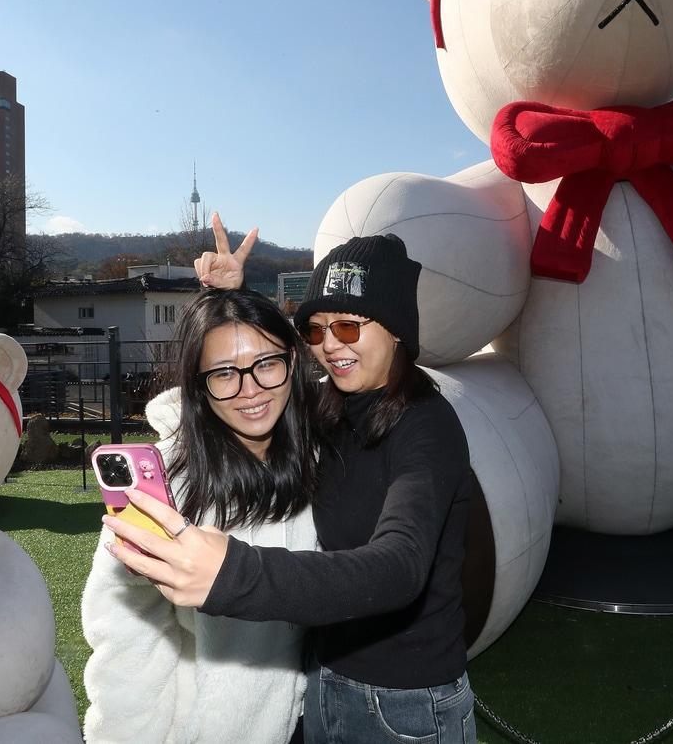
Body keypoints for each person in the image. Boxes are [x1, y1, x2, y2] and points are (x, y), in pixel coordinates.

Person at [106, 223, 478, 744]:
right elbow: (252, 375)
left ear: (396, 330)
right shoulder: (328, 406)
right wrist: (232, 300)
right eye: (315, 330)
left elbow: (401, 566)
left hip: (406, 705)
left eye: (348, 327)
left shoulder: (426, 427)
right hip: (321, 682)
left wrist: (234, 574)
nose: (330, 346)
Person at [81, 280, 323, 744]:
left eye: (266, 364)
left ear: (292, 362)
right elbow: (127, 629)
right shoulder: (169, 483)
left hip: (325, 717)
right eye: (224, 373)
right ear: (198, 385)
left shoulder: (322, 453)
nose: (250, 390)